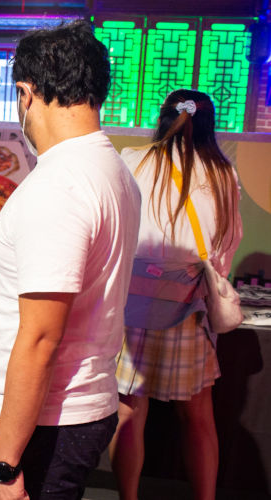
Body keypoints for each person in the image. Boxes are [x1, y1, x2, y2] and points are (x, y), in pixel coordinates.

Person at [0, 20, 141, 500]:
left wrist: (3, 466)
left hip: (41, 424)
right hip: (74, 409)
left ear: (26, 92)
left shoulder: (59, 186)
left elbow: (41, 337)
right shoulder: (113, 168)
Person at [109, 90, 243, 500]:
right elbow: (225, 247)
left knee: (130, 412)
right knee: (199, 417)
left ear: (163, 119)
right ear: (209, 124)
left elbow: (115, 231)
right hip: (187, 309)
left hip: (132, 310)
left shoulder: (131, 160)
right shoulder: (223, 173)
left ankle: (127, 497)